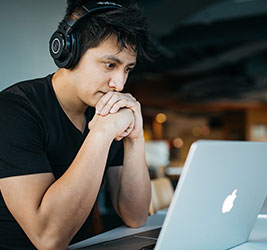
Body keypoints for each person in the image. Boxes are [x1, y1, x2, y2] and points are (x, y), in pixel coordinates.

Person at [0, 1, 153, 249]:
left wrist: (136, 138)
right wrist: (101, 133)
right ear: (68, 52)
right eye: (110, 65)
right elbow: (48, 238)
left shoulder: (104, 111)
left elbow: (135, 216)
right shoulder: (14, 110)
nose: (120, 83)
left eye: (127, 69)